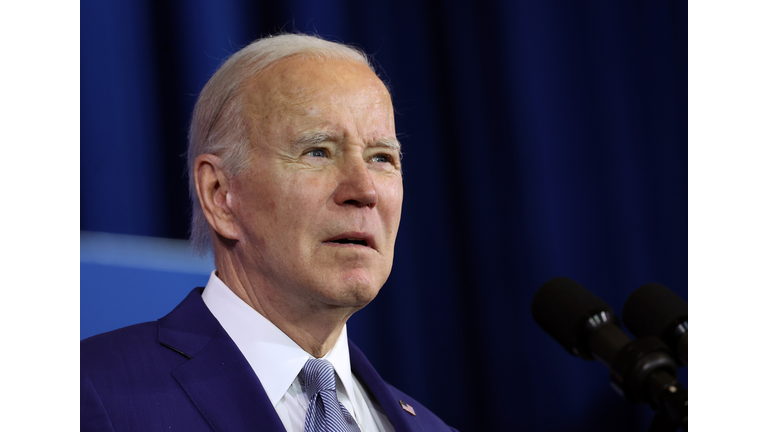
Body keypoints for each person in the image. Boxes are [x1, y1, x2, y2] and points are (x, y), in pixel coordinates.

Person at [81, 33, 458, 432]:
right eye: (318, 152)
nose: (364, 191)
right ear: (220, 195)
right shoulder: (90, 393)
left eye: (381, 158)